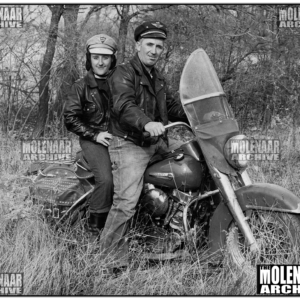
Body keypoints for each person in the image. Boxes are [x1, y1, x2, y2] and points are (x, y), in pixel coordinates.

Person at [99, 21, 189, 267]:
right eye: (149, 44)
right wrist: (147, 123)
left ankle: (185, 223)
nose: (154, 50)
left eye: (159, 46)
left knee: (196, 157)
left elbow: (170, 107)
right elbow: (124, 105)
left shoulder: (158, 77)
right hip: (130, 143)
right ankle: (110, 260)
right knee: (126, 201)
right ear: (138, 44)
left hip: (157, 141)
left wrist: (197, 113)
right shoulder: (123, 72)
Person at [64, 33, 118, 242]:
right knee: (106, 179)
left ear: (112, 59)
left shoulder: (120, 82)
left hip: (118, 138)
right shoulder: (81, 86)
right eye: (96, 57)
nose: (100, 62)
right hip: (92, 139)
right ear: (89, 58)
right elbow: (70, 118)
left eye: (105, 57)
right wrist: (95, 135)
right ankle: (94, 231)